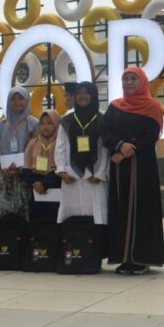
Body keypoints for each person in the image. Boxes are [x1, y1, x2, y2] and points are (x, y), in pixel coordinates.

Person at [102, 67, 164, 274]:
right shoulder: (115, 107)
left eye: (133, 79)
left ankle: (141, 258)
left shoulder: (153, 106)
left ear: (142, 82)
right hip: (120, 167)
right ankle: (123, 258)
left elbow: (152, 135)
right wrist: (120, 145)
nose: (129, 83)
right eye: (125, 79)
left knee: (142, 210)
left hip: (142, 167)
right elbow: (105, 132)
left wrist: (130, 148)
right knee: (120, 210)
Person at [55, 81, 110, 229]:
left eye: (87, 93)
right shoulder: (67, 120)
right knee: (73, 217)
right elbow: (60, 146)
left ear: (93, 95)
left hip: (94, 175)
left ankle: (96, 247)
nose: (83, 96)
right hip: (71, 174)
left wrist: (99, 173)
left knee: (96, 215)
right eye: (79, 93)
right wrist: (61, 171)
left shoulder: (101, 119)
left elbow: (105, 149)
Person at [0, 86, 38, 218]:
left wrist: (23, 168)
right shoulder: (2, 125)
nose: (17, 102)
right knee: (6, 219)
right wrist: (1, 167)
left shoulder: (34, 124)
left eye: (21, 98)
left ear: (27, 101)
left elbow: (37, 152)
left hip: (25, 178)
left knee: (26, 216)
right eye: (13, 99)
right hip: (5, 179)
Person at [21, 109, 62, 223]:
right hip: (37, 192)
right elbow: (26, 168)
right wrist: (37, 184)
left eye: (50, 123)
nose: (45, 127)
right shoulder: (33, 143)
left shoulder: (61, 143)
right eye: (42, 123)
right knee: (38, 223)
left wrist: (44, 183)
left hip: (56, 189)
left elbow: (62, 168)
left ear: (57, 124)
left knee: (55, 222)